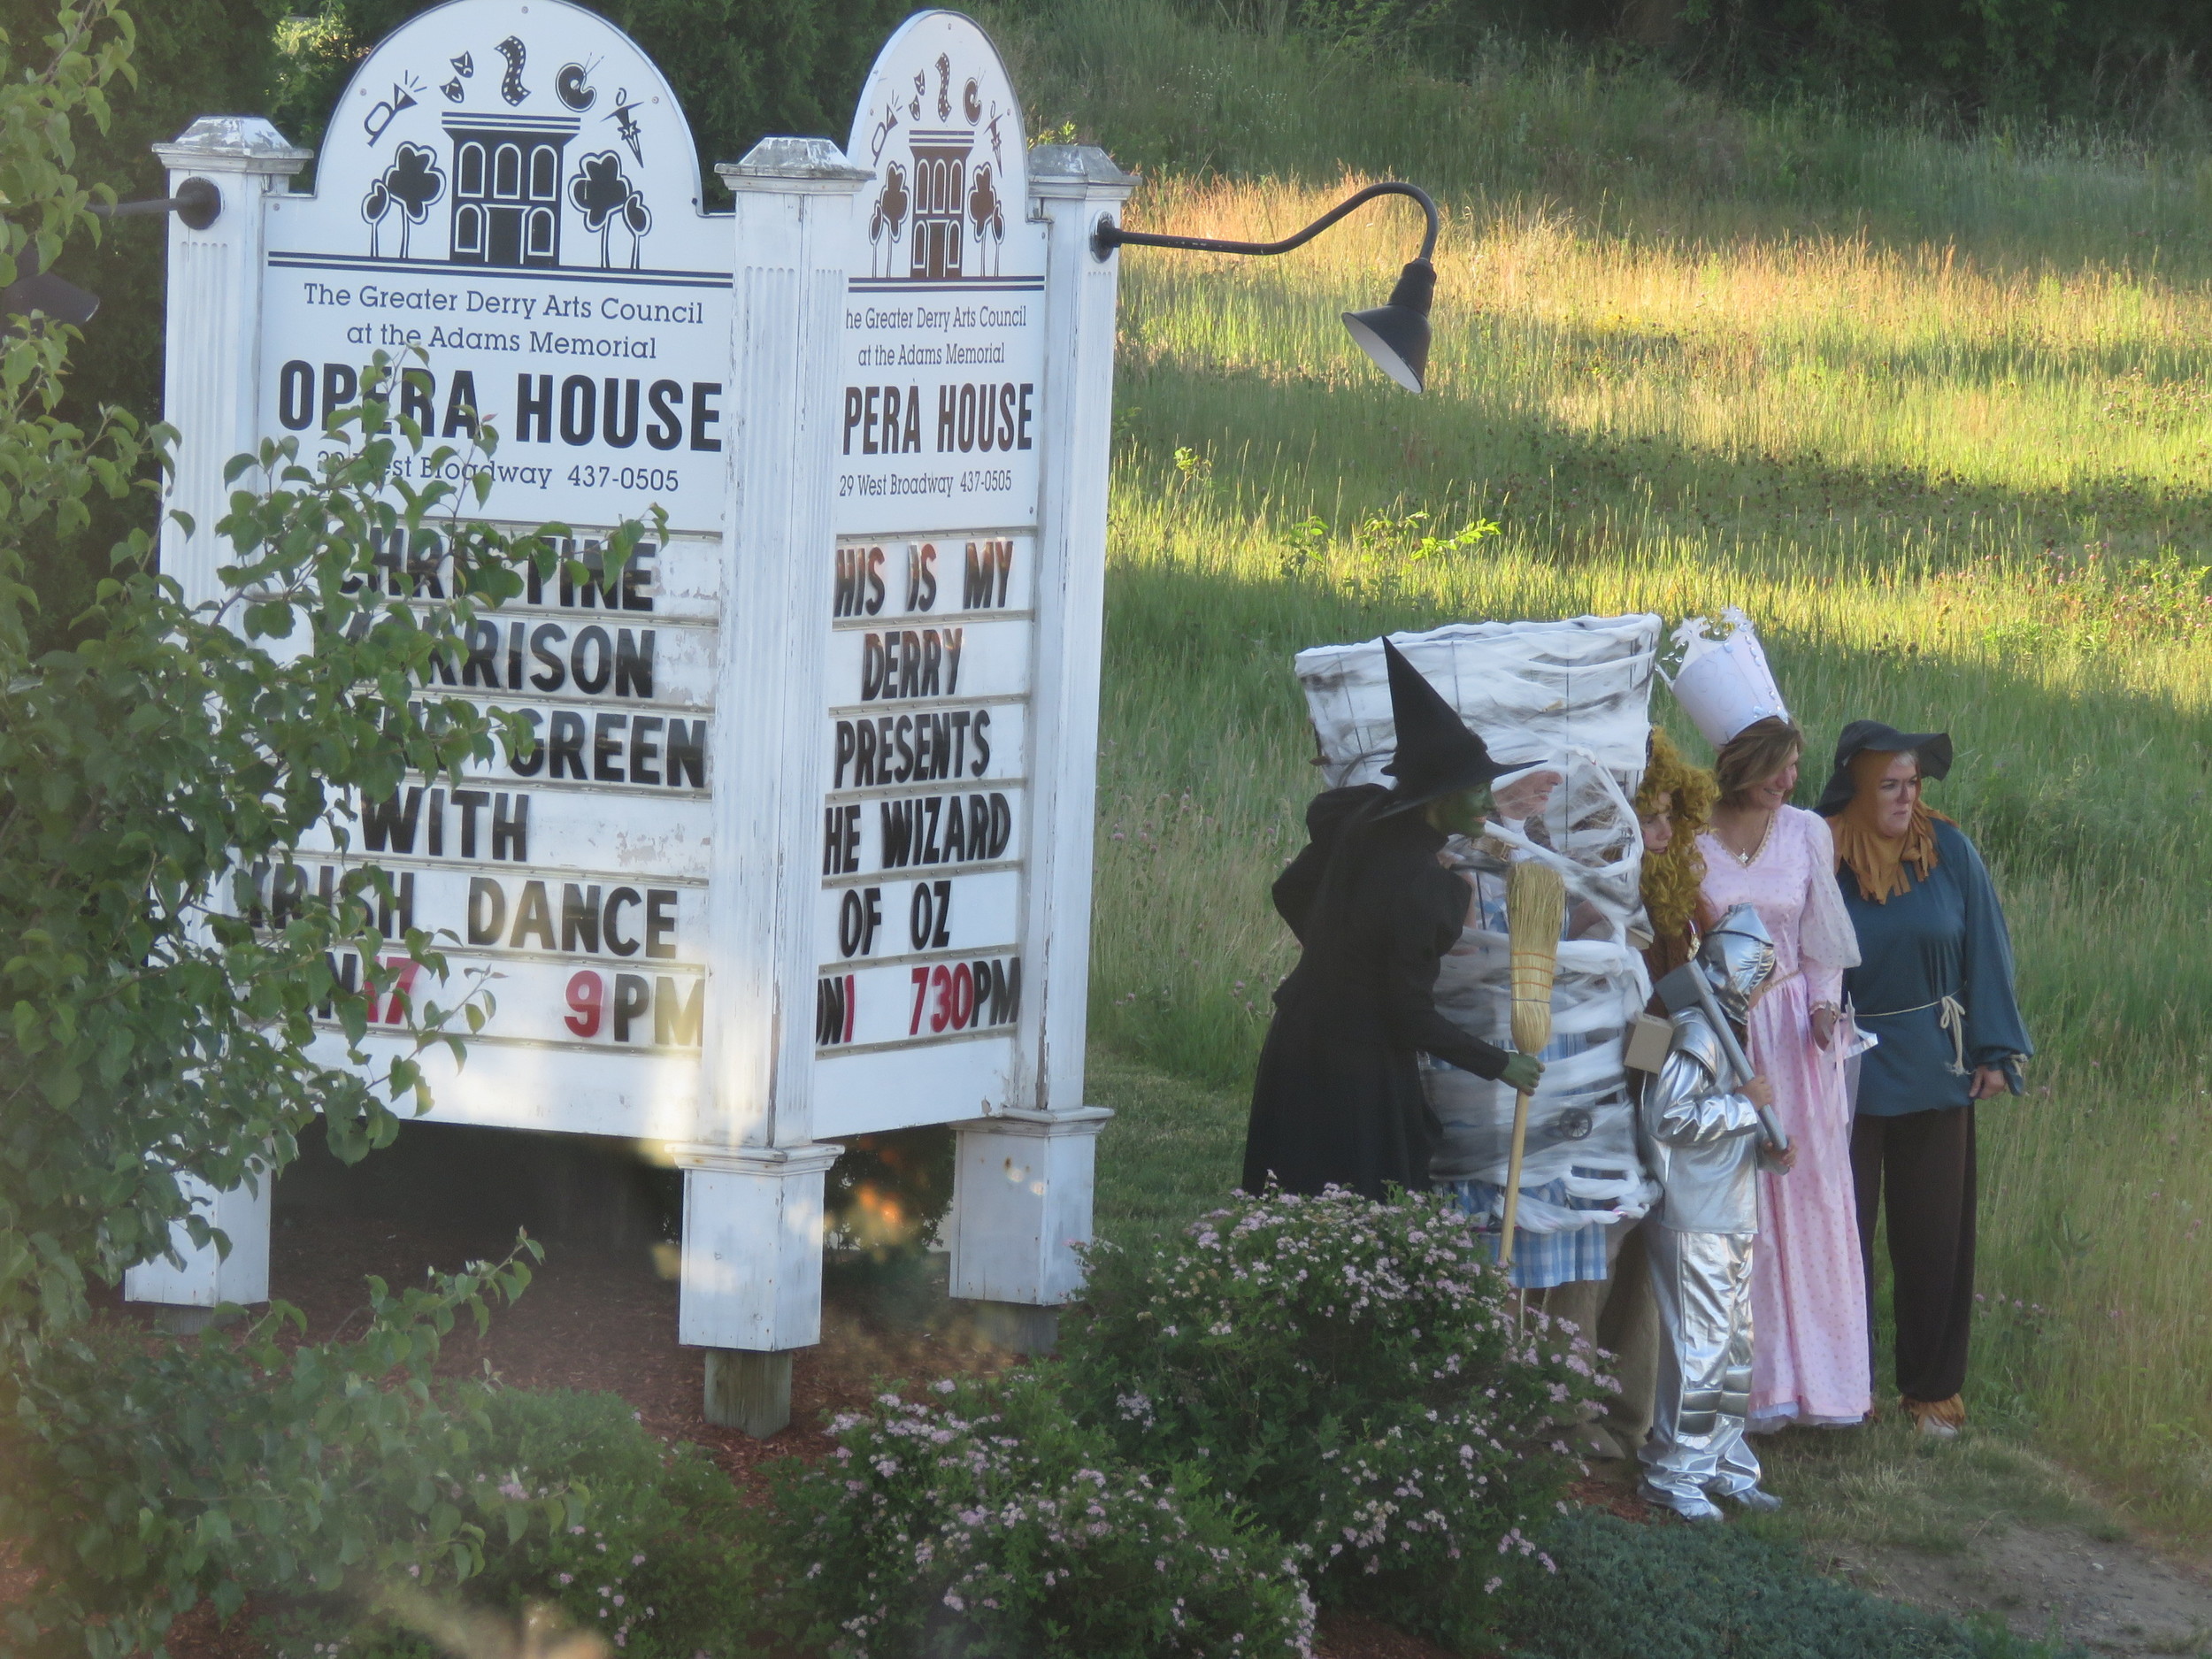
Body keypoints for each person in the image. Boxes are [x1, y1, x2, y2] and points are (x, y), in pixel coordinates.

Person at [1242, 641, 1544, 1201]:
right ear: (1438, 796)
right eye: (1477, 788)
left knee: (1293, 1208)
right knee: (1362, 1206)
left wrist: (1337, 954)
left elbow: (1291, 890)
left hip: (1299, 1039)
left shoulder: (1364, 819)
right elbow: (1408, 1015)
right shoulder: (1424, 889)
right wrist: (1501, 1064)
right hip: (1357, 1072)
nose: (1488, 800)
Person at [1666, 612, 1868, 1431]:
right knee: (1736, 1204)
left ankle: (1823, 1383)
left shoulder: (1808, 835)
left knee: (1808, 1202)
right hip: (1725, 1029)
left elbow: (1823, 941)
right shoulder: (1692, 843)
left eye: (1794, 767)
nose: (1793, 781)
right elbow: (1678, 939)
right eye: (1780, 768)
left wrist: (1824, 1008)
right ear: (1743, 766)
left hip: (1793, 1031)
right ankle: (1747, 1386)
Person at [1818, 721, 2031, 1440]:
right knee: (1841, 1237)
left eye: (1913, 783)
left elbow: (1986, 947)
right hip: (1843, 1072)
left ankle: (1930, 1392)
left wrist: (1996, 1050)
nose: (1907, 796)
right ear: (1856, 785)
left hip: (1937, 1069)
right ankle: (1844, 1389)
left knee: (1934, 1239)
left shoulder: (1949, 851)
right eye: (1891, 784)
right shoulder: (1820, 848)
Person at [1636, 902, 1796, 1519]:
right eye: (1754, 976)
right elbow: (1667, 1118)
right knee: (1701, 1344)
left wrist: (1766, 1148)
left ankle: (1724, 1460)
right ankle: (1674, 1470)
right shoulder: (1697, 1030)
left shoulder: (1723, 1027)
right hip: (1692, 1214)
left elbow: (1722, 1127)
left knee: (1733, 1347)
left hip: (1729, 1211)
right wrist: (1746, 1107)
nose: (1757, 991)